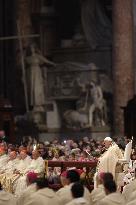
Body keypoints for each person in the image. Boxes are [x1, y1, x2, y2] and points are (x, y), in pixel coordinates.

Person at [26, 44, 55, 112]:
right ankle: (34, 104)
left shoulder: (38, 56)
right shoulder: (27, 58)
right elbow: (21, 65)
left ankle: (39, 104)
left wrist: (54, 64)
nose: (31, 49)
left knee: (38, 88)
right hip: (30, 74)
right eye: (30, 48)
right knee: (32, 88)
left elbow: (46, 61)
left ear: (34, 49)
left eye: (32, 48)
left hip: (37, 73)